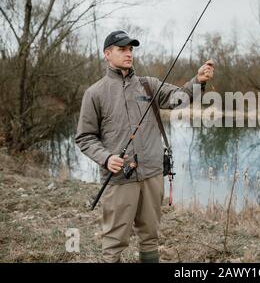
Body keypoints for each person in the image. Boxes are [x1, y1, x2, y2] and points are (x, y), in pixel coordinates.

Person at [75, 30, 214, 263]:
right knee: (114, 241)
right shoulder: (94, 93)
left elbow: (179, 98)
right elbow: (85, 137)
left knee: (150, 236)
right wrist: (106, 158)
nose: (129, 53)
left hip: (152, 173)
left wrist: (198, 81)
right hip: (119, 177)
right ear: (107, 54)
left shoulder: (149, 85)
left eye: (130, 49)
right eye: (122, 49)